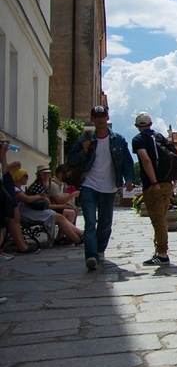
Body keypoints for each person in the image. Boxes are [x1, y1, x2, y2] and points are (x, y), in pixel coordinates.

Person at [69, 106, 135, 270]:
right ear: (92, 119)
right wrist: (83, 152)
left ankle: (99, 250)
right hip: (88, 185)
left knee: (105, 223)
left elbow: (127, 161)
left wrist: (129, 179)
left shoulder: (118, 139)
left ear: (107, 117)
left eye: (102, 116)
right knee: (90, 222)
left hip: (109, 187)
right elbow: (71, 160)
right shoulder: (85, 139)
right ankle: (91, 256)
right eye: (96, 116)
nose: (99, 119)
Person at [132, 112, 174, 266]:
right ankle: (159, 251)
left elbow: (146, 159)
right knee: (162, 218)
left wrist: (153, 183)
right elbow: (173, 157)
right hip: (167, 183)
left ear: (137, 126)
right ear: (150, 124)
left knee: (158, 221)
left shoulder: (138, 139)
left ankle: (162, 254)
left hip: (154, 185)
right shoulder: (160, 137)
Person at [14, 167, 83, 246]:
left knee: (62, 216)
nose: (27, 178)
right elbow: (28, 200)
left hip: (30, 211)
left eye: (48, 174)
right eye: (25, 176)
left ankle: (79, 236)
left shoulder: (44, 185)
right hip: (27, 213)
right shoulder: (21, 189)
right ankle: (78, 239)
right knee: (60, 216)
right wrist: (40, 196)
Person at [0, 137, 41, 254]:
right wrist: (11, 166)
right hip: (5, 186)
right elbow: (2, 171)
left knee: (15, 215)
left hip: (7, 184)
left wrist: (5, 155)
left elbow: (3, 170)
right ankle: (21, 246)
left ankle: (22, 244)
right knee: (13, 216)